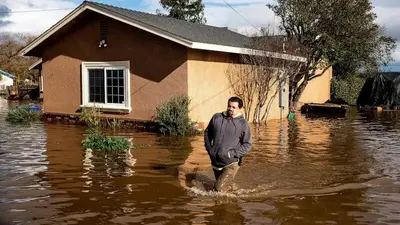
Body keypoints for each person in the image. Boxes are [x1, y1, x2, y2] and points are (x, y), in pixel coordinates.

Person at [204, 96, 252, 192]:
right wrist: (209, 149)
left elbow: (248, 144)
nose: (230, 109)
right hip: (215, 161)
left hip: (231, 163)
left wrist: (231, 154)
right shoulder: (217, 117)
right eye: (229, 106)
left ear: (240, 109)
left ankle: (226, 204)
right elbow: (207, 132)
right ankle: (233, 194)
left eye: (234, 107)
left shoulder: (243, 124)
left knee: (218, 188)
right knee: (222, 187)